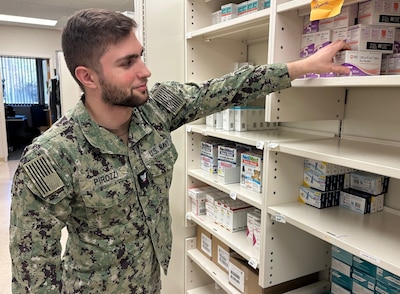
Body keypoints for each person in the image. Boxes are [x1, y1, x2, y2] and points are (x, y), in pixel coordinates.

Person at [9, 8, 351, 294]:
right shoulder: (52, 155)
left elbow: (221, 89)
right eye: (127, 63)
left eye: (140, 56)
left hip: (150, 280)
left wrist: (298, 67)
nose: (145, 71)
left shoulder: (156, 109)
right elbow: (33, 266)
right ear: (88, 76)